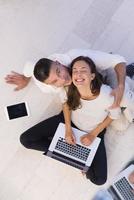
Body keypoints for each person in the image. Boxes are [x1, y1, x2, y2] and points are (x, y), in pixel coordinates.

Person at [20, 56, 122, 185]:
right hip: (68, 121)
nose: (78, 75)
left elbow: (114, 115)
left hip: (93, 130)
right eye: (75, 71)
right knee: (26, 139)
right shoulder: (69, 85)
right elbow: (66, 104)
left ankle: (77, 157)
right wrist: (68, 129)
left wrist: (93, 134)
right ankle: (73, 155)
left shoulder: (107, 95)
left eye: (83, 70)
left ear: (92, 75)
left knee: (99, 179)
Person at [5, 49, 126, 108]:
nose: (62, 79)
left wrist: (120, 86)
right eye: (55, 81)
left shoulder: (77, 56)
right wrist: (25, 79)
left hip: (103, 74)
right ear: (49, 85)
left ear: (58, 63)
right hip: (89, 88)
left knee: (122, 97)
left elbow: (118, 60)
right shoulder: (46, 88)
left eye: (58, 71)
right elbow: (29, 69)